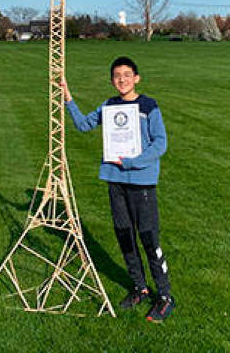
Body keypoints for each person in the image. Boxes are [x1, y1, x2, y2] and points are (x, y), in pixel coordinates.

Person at [60, 56, 175, 323]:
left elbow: (160, 143)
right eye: (116, 76)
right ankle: (140, 288)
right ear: (112, 80)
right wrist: (68, 98)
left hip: (142, 181)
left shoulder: (148, 106)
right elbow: (83, 124)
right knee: (125, 236)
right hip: (115, 180)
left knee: (148, 238)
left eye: (126, 75)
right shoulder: (109, 106)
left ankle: (165, 295)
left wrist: (135, 162)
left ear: (136, 78)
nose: (121, 80)